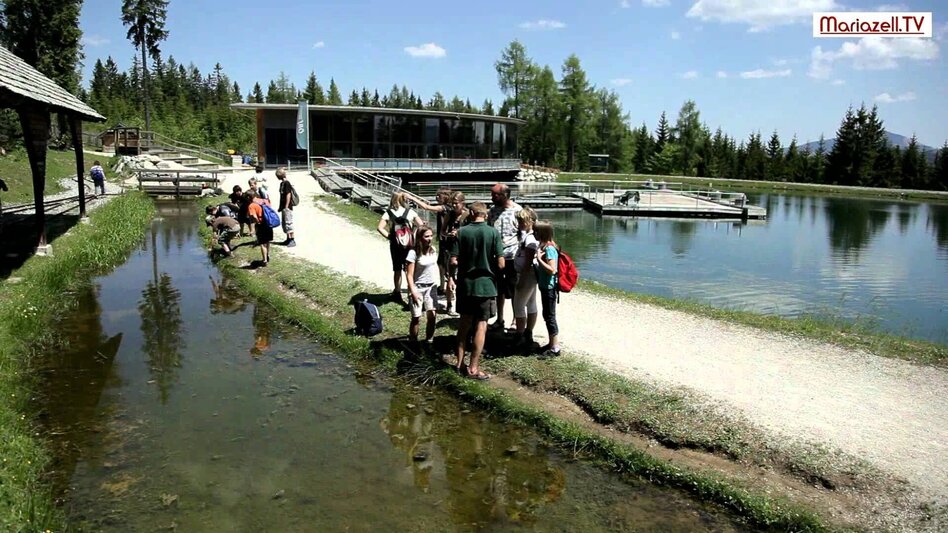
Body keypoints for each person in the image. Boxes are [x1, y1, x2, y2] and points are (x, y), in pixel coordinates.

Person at [451, 202, 504, 380]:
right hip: (486, 285)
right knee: (482, 326)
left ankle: (459, 364)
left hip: (466, 285)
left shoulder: (462, 232)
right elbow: (501, 262)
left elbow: (453, 261)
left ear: (472, 213)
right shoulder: (493, 233)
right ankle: (473, 368)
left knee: (464, 325)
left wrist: (452, 276)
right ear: (485, 214)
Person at [487, 183, 522, 332]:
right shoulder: (492, 211)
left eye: (495, 194)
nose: (492, 197)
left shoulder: (518, 210)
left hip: (512, 256)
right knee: (498, 289)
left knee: (514, 288)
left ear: (505, 195)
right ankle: (500, 318)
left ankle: (515, 319)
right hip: (496, 256)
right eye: (492, 194)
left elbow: (524, 232)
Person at [377, 191, 424, 302]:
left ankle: (397, 292)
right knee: (409, 270)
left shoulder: (388, 213)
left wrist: (390, 237)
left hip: (395, 245)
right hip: (409, 245)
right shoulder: (410, 212)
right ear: (404, 200)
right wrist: (414, 234)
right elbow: (421, 226)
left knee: (397, 269)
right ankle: (411, 292)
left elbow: (380, 228)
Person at [406, 225, 440, 346]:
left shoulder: (433, 250)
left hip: (431, 287)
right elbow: (409, 274)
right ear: (420, 238)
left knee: (432, 315)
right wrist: (413, 291)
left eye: (431, 236)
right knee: (416, 316)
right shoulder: (413, 253)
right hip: (418, 287)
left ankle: (429, 341)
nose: (430, 238)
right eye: (427, 236)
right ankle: (413, 341)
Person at [512, 207, 539, 349]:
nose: (519, 223)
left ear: (530, 221)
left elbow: (527, 263)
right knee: (531, 303)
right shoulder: (530, 235)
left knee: (519, 305)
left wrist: (521, 281)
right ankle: (528, 332)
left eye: (522, 221)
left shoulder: (531, 239)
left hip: (526, 276)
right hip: (529, 275)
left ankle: (520, 334)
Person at [534, 220, 560, 357]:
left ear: (542, 233)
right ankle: (551, 343)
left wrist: (539, 259)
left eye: (536, 231)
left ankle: (555, 347)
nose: (534, 233)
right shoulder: (544, 247)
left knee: (550, 316)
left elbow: (552, 270)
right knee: (547, 315)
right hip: (545, 286)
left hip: (549, 287)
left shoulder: (549, 249)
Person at [246, 191, 272, 265]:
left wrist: (257, 222)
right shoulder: (264, 200)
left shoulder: (252, 205)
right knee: (267, 241)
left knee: (262, 243)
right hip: (268, 222)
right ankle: (267, 256)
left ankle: (264, 261)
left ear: (249, 197)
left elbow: (254, 216)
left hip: (261, 224)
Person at [276, 167, 296, 247]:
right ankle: (288, 238)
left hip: (287, 207)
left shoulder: (287, 183)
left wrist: (287, 206)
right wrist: (280, 207)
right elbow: (282, 196)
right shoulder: (282, 184)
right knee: (284, 224)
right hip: (283, 207)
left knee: (289, 223)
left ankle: (292, 239)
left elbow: (288, 194)